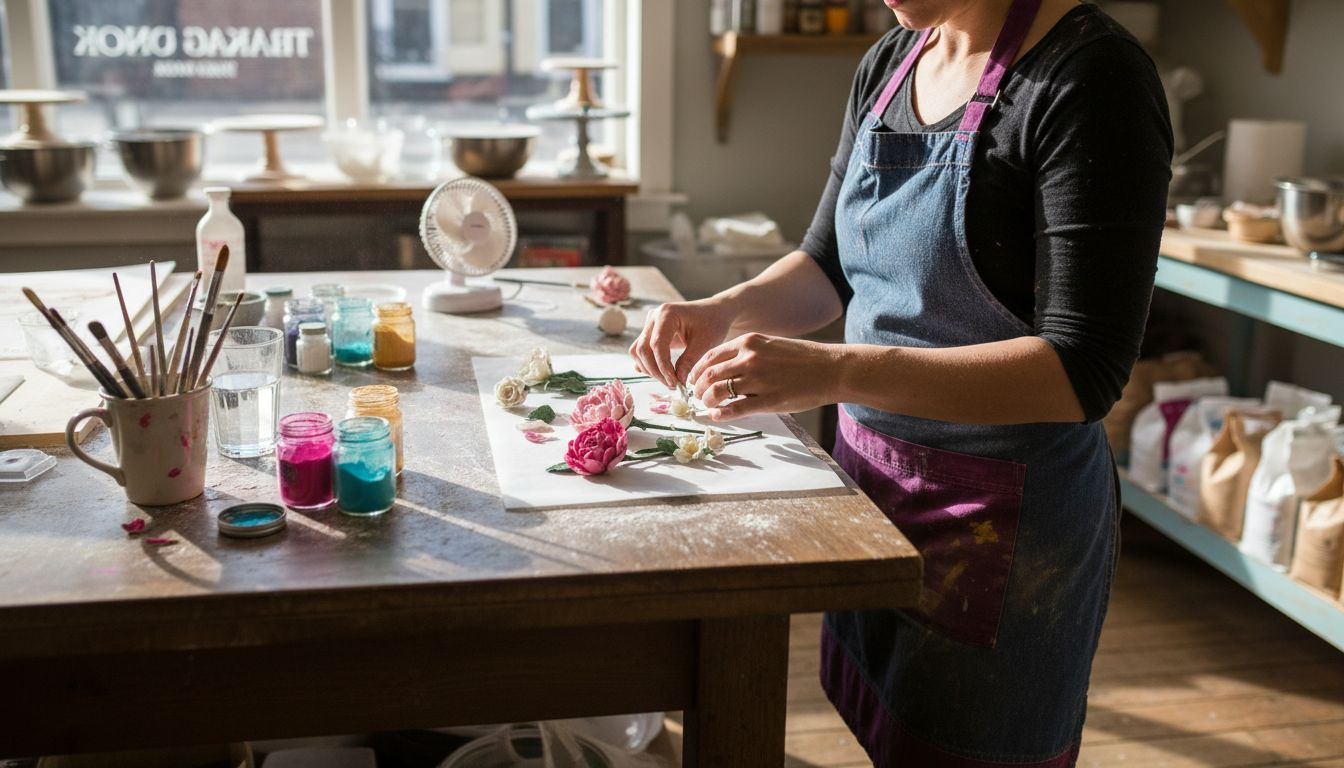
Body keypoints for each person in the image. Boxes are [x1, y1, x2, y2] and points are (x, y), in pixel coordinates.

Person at [628, 0, 1172, 764]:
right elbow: (828, 265)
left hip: (999, 524)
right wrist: (723, 308)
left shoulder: (1091, 77)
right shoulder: (891, 62)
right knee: (887, 725)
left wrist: (834, 370)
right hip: (873, 493)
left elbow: (1082, 371)